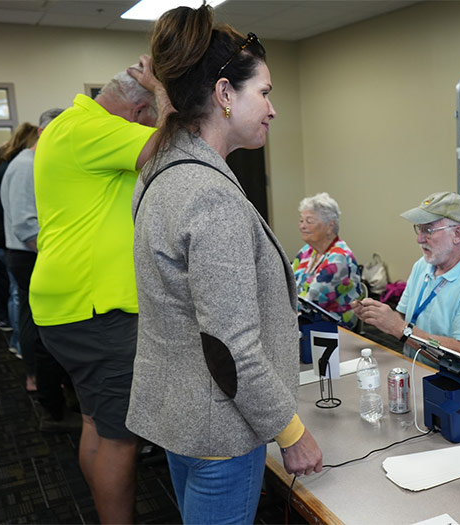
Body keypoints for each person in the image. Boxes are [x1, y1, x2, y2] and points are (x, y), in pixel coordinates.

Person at [127, 5, 323, 524]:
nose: (272, 109)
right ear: (223, 95)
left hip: (182, 415)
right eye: (265, 92)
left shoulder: (160, 173)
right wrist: (292, 434)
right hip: (221, 432)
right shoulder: (209, 196)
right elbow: (230, 348)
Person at [30, 63, 171, 523]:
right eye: (150, 113)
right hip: (95, 312)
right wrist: (163, 93)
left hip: (65, 306)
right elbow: (171, 148)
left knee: (96, 422)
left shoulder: (69, 125)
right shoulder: (97, 128)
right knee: (120, 437)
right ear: (136, 110)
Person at [352, 191, 460, 383]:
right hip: (417, 373)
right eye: (419, 229)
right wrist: (378, 315)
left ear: (457, 234)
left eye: (429, 230)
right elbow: (402, 318)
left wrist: (399, 328)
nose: (419, 239)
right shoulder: (423, 266)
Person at [2, 109, 80, 427]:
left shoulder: (34, 162)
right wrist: (61, 256)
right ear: (43, 133)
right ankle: (51, 406)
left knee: (45, 329)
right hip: (30, 255)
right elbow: (26, 224)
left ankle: (55, 393)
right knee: (43, 333)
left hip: (36, 254)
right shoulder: (25, 166)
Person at [0, 123, 38, 350]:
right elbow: (22, 222)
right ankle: (18, 345)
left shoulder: (4, 169)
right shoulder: (21, 168)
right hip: (14, 244)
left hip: (5, 239)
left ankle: (17, 343)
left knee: (14, 294)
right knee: (19, 298)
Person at [293, 192, 361, 328]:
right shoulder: (307, 251)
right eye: (301, 221)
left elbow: (309, 303)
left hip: (333, 328)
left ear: (330, 226)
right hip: (304, 320)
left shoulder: (338, 259)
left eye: (309, 221)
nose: (302, 226)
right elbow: (287, 283)